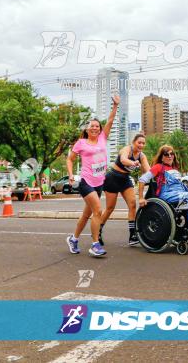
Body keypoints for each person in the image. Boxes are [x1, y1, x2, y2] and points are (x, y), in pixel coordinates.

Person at [65, 94, 119, 257]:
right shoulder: (81, 143)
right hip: (86, 182)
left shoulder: (103, 137)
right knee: (98, 211)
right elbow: (70, 159)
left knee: (87, 214)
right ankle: (95, 244)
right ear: (87, 129)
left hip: (99, 183)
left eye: (97, 126)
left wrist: (115, 106)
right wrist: (70, 174)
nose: (95, 128)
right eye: (92, 126)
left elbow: (109, 121)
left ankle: (73, 239)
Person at [137, 145, 188, 241]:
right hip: (167, 195)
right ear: (162, 157)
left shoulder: (175, 169)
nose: (170, 156)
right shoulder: (158, 167)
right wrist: (141, 197)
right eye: (166, 154)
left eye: (171, 154)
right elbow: (142, 179)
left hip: (179, 194)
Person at [101, 133, 150, 246]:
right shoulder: (126, 149)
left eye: (143, 143)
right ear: (134, 142)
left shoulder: (142, 156)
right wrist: (133, 163)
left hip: (125, 179)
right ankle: (98, 229)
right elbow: (123, 160)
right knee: (110, 208)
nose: (141, 145)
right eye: (139, 142)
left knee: (132, 204)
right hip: (113, 178)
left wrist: (157, 174)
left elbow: (148, 170)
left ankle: (132, 235)